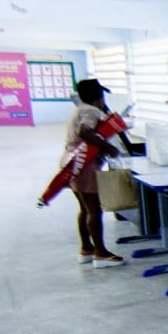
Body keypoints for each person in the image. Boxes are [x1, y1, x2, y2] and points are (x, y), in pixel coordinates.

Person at [63, 79, 126, 268]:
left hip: (71, 160)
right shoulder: (91, 111)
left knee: (84, 208)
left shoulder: (79, 109)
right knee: (93, 209)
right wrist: (108, 147)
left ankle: (86, 249)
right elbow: (85, 131)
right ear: (99, 96)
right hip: (84, 164)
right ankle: (100, 253)